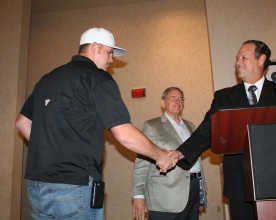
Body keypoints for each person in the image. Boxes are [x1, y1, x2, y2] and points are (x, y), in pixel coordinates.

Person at [15, 27, 175, 220]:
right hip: (75, 188)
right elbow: (124, 134)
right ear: (95, 47)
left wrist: (53, 148)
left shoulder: (46, 79)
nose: (111, 60)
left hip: (37, 187)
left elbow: (22, 123)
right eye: (109, 52)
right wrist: (161, 155)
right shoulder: (98, 78)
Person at [169, 40, 276, 220]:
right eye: (237, 58)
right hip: (239, 183)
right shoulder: (225, 97)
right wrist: (180, 154)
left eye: (244, 58)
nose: (238, 62)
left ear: (261, 59)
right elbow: (206, 131)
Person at [132, 87, 207, 220]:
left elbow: (197, 161)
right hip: (165, 199)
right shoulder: (152, 126)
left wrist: (201, 193)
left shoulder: (191, 126)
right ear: (163, 103)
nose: (177, 102)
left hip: (194, 192)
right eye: (172, 98)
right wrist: (139, 196)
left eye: (180, 99)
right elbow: (141, 164)